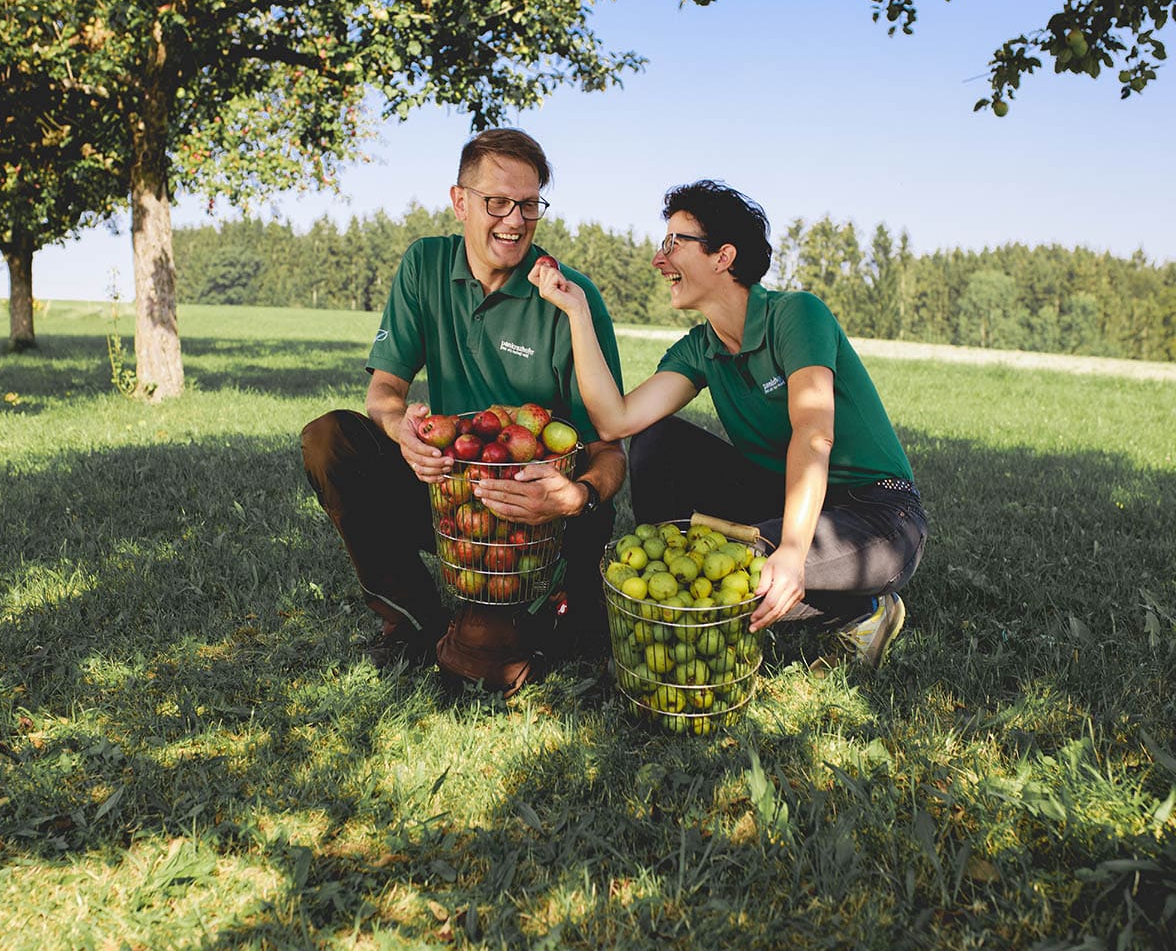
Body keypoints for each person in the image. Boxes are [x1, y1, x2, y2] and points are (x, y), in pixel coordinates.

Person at [528, 179, 927, 669]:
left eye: (675, 243)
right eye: (663, 243)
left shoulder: (795, 314)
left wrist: (793, 549)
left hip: (877, 514)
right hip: (784, 500)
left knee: (731, 571)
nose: (660, 259)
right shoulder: (701, 347)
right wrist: (577, 312)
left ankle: (858, 608)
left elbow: (814, 431)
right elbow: (615, 421)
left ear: (723, 256)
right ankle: (689, 592)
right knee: (658, 440)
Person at [301, 128, 627, 668]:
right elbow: (384, 391)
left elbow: (611, 449)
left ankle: (532, 616)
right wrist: (399, 428)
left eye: (528, 205)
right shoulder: (424, 266)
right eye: (497, 202)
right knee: (329, 439)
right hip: (449, 492)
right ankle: (412, 618)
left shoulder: (571, 296)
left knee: (483, 667)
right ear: (460, 202)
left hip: (533, 513)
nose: (515, 220)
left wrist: (576, 497)